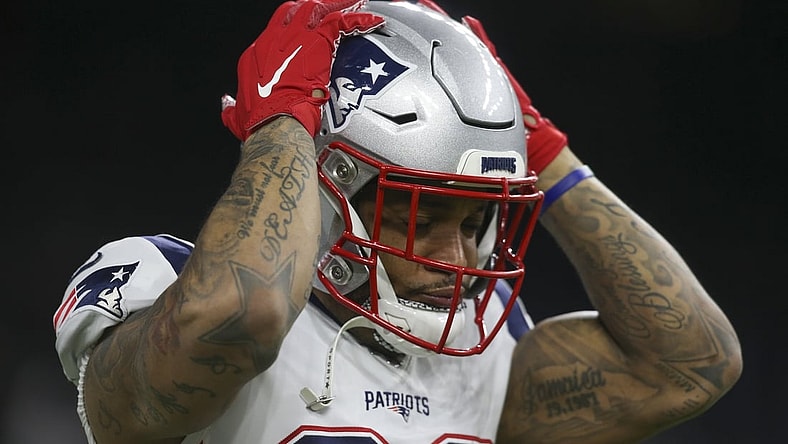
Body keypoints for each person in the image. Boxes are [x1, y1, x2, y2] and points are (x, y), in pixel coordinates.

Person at [53, 0, 742, 443]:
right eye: (422, 215)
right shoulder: (162, 281)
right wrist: (283, 119)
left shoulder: (483, 348)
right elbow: (241, 313)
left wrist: (544, 151)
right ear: (326, 190)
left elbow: (693, 364)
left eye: (478, 222)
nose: (465, 260)